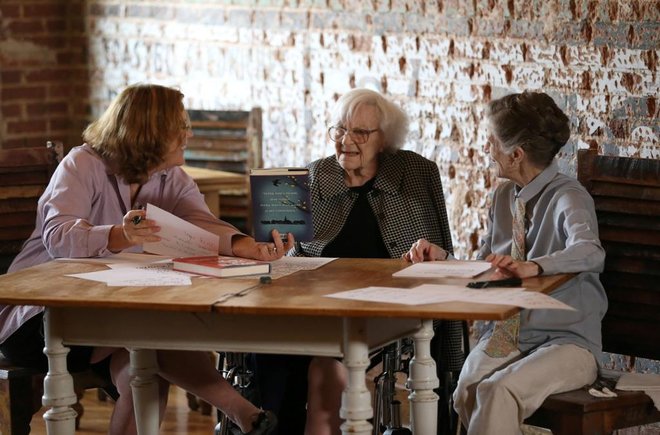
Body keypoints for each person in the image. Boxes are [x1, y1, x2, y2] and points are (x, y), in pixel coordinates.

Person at [0, 84, 291, 435]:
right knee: (153, 335)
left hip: (111, 313)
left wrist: (250, 247)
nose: (190, 133)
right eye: (180, 126)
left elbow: (202, 223)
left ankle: (247, 417)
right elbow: (58, 238)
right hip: (39, 315)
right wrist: (118, 235)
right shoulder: (81, 165)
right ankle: (245, 414)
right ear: (150, 133)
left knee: (146, 370)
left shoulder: (171, 177)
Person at [254, 88, 458, 435]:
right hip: (312, 309)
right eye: (340, 130)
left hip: (384, 316)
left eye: (360, 133)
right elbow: (288, 256)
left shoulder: (415, 174)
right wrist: (273, 252)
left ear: (384, 140)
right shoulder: (315, 174)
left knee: (326, 376)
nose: (346, 141)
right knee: (265, 349)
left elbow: (442, 255)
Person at [405, 91, 607, 434]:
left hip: (567, 342)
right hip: (508, 335)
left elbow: (591, 251)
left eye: (491, 142)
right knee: (466, 391)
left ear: (516, 154)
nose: (487, 149)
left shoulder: (568, 196)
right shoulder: (502, 197)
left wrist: (537, 266)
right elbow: (488, 265)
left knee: (497, 392)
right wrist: (444, 259)